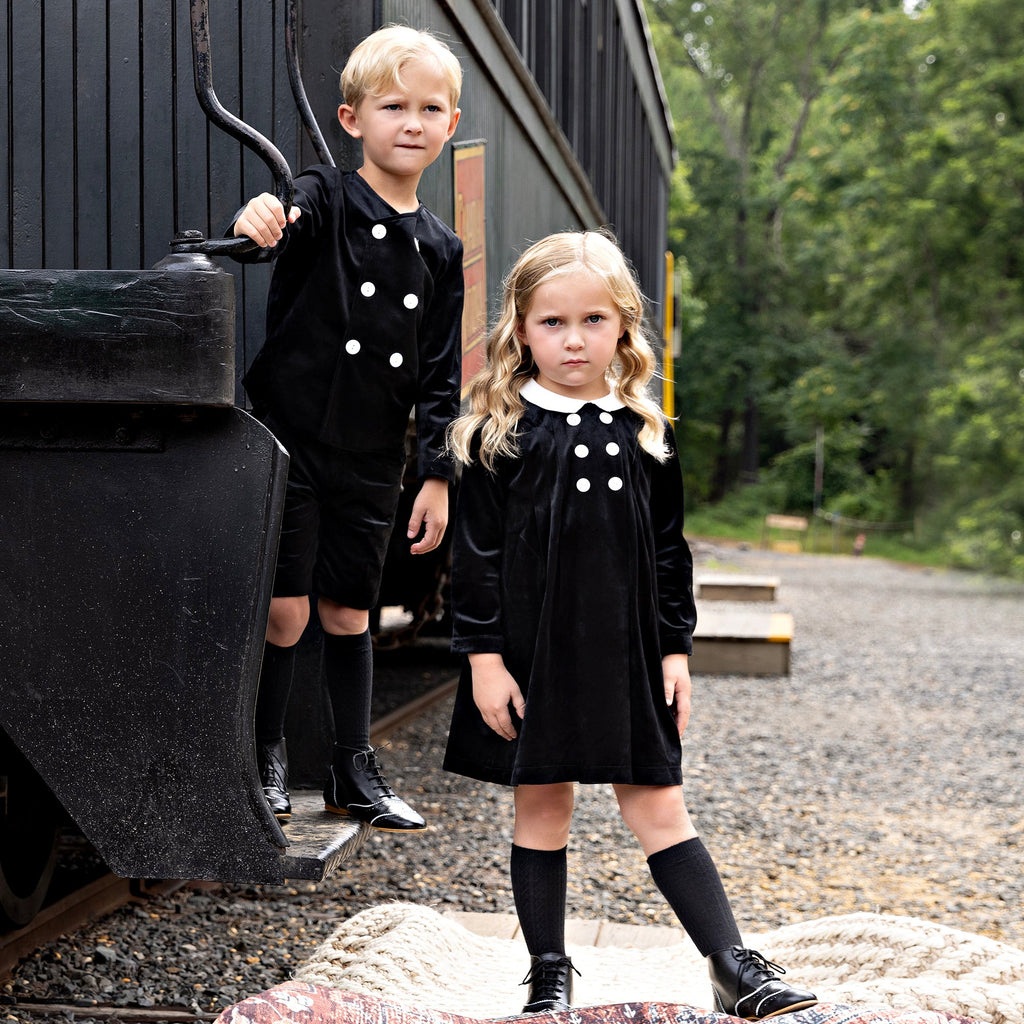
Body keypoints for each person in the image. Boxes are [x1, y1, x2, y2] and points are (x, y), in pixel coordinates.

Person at [443, 231, 817, 1020]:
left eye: (592, 320)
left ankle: (730, 965)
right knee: (542, 806)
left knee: (658, 803)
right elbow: (472, 561)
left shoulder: (647, 431)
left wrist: (676, 648)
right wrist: (483, 659)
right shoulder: (498, 434)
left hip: (627, 651)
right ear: (519, 329)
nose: (572, 340)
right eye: (551, 323)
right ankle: (549, 972)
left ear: (623, 327)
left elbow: (669, 549)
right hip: (532, 653)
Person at [230, 25, 464, 831]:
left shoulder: (441, 248)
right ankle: (264, 755)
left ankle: (351, 770)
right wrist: (263, 214)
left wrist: (436, 472)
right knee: (287, 611)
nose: (411, 121)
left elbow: (441, 373)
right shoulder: (324, 196)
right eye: (392, 105)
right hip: (290, 440)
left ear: (450, 126)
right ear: (351, 118)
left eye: (429, 107)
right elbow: (279, 216)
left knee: (350, 613)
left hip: (372, 455)